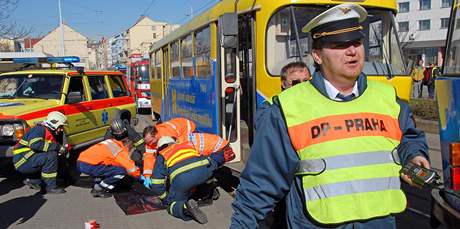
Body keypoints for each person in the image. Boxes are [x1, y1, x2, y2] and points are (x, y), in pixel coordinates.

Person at [231, 3, 430, 229]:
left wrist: (414, 156)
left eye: (356, 42)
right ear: (317, 55)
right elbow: (260, 184)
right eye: (339, 45)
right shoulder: (288, 108)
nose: (352, 51)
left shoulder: (388, 99)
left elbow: (407, 139)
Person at [150, 136, 235, 224]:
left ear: (160, 147)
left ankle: (185, 208)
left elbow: (156, 184)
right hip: (204, 170)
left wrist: (165, 198)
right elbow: (211, 158)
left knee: (171, 205)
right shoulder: (187, 145)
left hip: (182, 179)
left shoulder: (162, 154)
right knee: (205, 174)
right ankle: (208, 191)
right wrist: (221, 157)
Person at [12, 111, 68, 194]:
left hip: (26, 159)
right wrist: (57, 147)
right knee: (51, 156)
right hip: (22, 161)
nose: (61, 129)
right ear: (54, 123)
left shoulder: (46, 131)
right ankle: (50, 187)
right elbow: (35, 145)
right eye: (60, 127)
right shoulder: (40, 129)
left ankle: (34, 181)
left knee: (55, 156)